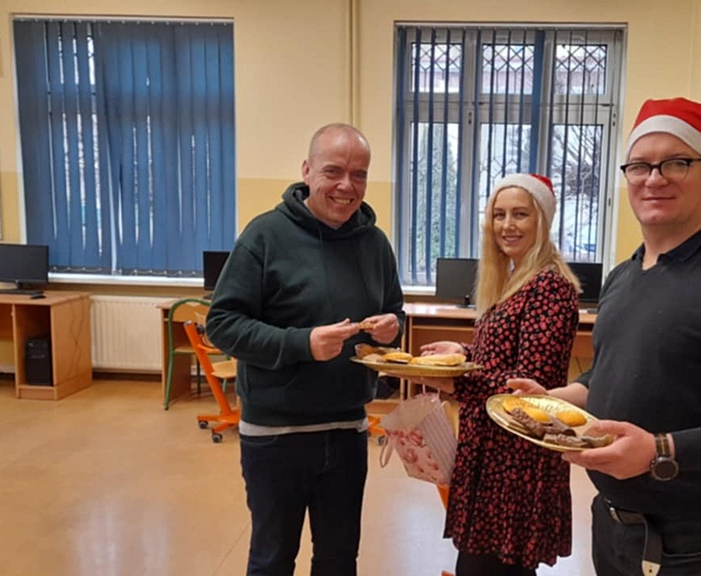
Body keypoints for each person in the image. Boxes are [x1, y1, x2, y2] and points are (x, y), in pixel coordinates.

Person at [509, 97, 701, 576]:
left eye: (677, 162)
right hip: (614, 526)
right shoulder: (623, 277)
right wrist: (553, 399)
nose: (654, 179)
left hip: (696, 544)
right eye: (640, 165)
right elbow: (612, 374)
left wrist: (660, 450)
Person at [205, 123, 405, 576]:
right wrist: (301, 344)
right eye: (333, 171)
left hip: (347, 430)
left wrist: (393, 328)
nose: (346, 186)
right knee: (273, 559)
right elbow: (222, 323)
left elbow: (395, 312)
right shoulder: (264, 235)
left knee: (338, 560)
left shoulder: (375, 244)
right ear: (307, 170)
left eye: (359, 174)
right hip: (276, 435)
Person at [412, 173, 581, 576]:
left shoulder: (549, 287)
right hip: (489, 449)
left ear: (543, 220)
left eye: (520, 214)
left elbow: (526, 387)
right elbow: (502, 356)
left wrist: (456, 381)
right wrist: (463, 353)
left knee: (492, 568)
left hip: (515, 458)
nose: (507, 225)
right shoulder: (513, 279)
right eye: (498, 215)